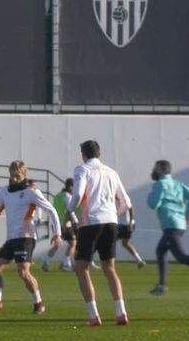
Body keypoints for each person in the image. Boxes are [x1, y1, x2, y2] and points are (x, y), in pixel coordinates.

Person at [66, 140, 131, 327]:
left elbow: (77, 195)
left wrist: (70, 211)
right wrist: (113, 215)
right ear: (99, 153)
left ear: (83, 154)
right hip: (111, 223)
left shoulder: (82, 169)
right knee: (109, 268)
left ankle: (94, 315)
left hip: (91, 223)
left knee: (81, 267)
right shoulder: (112, 172)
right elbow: (126, 202)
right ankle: (121, 313)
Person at [0, 160, 62, 315]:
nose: (14, 177)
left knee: (23, 271)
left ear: (24, 174)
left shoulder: (31, 192)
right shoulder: (4, 192)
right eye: (12, 174)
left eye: (18, 175)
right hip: (11, 239)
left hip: (26, 237)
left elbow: (52, 211)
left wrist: (57, 234)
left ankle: (38, 303)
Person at [147, 160, 189, 294]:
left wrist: (150, 196)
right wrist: (188, 214)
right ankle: (162, 286)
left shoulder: (160, 184)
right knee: (161, 251)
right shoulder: (177, 184)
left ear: (160, 170)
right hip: (179, 224)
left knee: (180, 256)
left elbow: (154, 204)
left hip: (170, 224)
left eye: (155, 168)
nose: (153, 170)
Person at [41, 178, 77, 272]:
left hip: (55, 223)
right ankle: (65, 264)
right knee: (73, 243)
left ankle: (46, 261)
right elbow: (70, 210)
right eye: (74, 187)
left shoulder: (57, 196)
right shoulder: (68, 196)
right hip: (65, 223)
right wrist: (76, 221)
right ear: (70, 187)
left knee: (57, 244)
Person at [115, 202, 146, 268]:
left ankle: (109, 262)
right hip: (127, 225)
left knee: (108, 242)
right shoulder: (120, 200)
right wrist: (132, 223)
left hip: (123, 226)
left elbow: (131, 209)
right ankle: (139, 261)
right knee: (125, 244)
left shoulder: (123, 199)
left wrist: (130, 223)